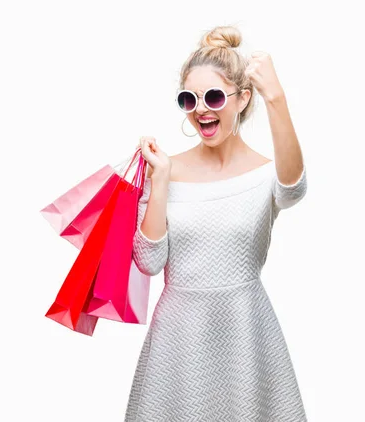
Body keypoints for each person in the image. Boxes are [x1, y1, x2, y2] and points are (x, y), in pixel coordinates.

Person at [125, 25, 308, 421]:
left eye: (213, 96)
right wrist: (160, 181)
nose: (201, 109)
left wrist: (276, 98)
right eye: (189, 99)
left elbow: (293, 189)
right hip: (178, 341)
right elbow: (149, 261)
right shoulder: (167, 171)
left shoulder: (263, 175)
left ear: (243, 99)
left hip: (247, 334)